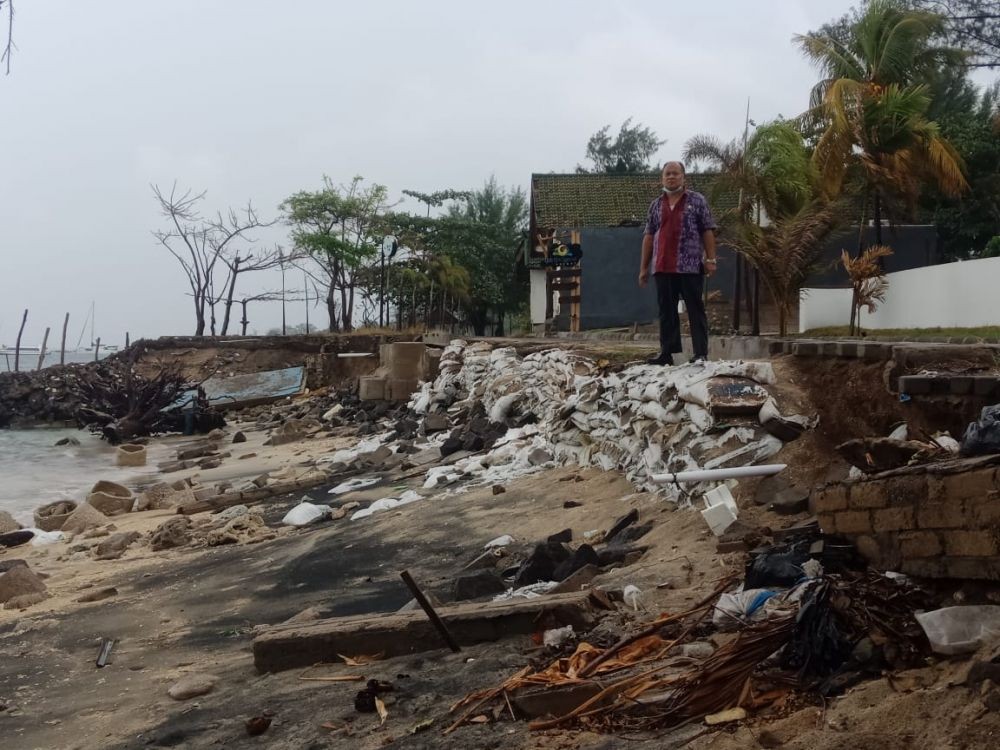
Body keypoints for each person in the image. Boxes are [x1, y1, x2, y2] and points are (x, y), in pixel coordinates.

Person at [638, 161, 718, 366]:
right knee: (666, 311)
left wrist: (710, 259)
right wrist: (644, 268)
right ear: (662, 178)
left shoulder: (697, 201)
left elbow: (707, 230)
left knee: (695, 309)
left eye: (675, 173)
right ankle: (667, 353)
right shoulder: (656, 205)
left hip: (689, 266)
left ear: (684, 177)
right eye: (667, 174)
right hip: (663, 266)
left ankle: (700, 353)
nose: (671, 177)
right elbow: (648, 236)